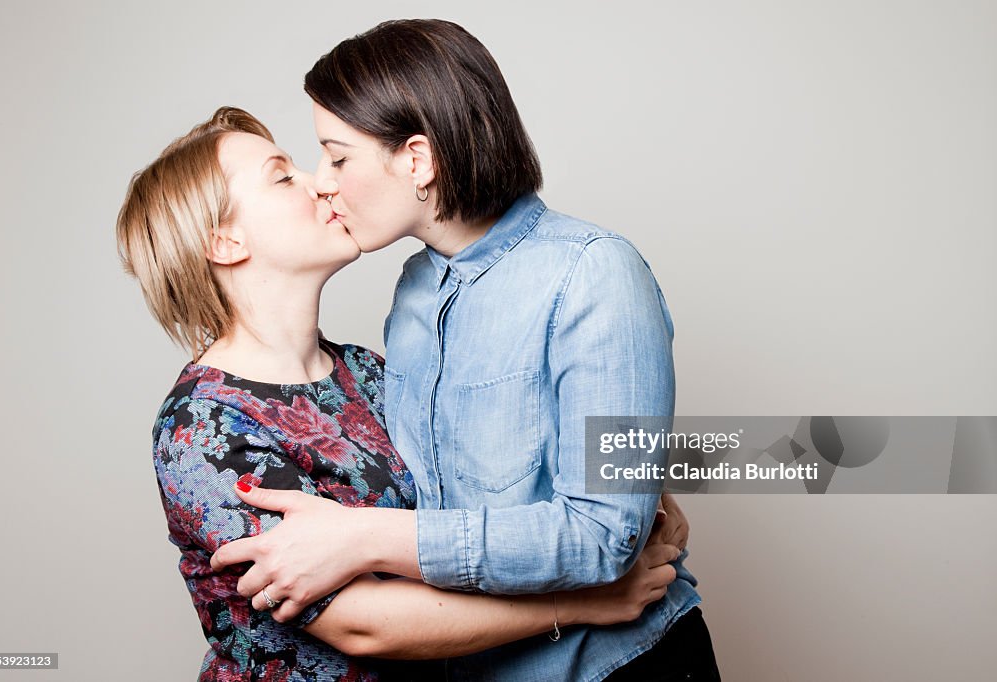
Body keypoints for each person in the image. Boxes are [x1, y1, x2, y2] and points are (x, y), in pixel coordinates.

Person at [212, 19, 720, 681]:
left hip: (618, 666)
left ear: (417, 160)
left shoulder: (593, 273)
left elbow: (603, 535)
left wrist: (365, 540)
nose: (323, 182)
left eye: (338, 156)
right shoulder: (415, 294)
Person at [116, 106, 685, 681]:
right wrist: (579, 603)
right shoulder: (205, 427)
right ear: (225, 241)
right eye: (283, 176)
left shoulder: (364, 372)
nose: (322, 183)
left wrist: (637, 493)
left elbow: (490, 462)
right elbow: (360, 623)